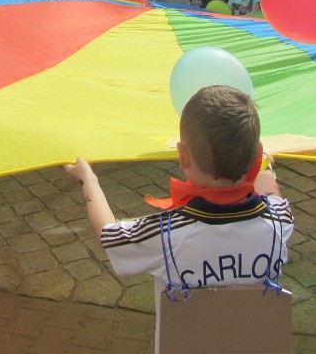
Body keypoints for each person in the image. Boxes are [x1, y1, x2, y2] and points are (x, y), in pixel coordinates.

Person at [64, 85, 293, 353]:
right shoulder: (279, 221)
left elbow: (108, 234)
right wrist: (264, 166)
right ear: (256, 157)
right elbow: (270, 192)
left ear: (182, 155)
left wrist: (88, 179)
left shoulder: (167, 233)